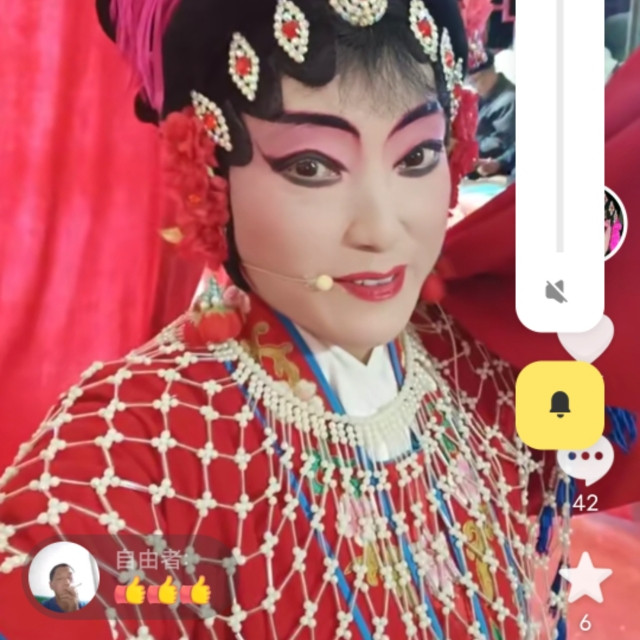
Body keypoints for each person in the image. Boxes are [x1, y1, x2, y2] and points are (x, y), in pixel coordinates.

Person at [0, 1, 638, 639]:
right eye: (312, 166)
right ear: (209, 172)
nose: (381, 228)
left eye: (417, 156)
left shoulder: (479, 362)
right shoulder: (136, 448)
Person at [467, 49, 515, 178]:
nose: (474, 86)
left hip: (490, 168)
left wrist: (464, 149)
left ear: (490, 72)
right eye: (470, 82)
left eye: (476, 80)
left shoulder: (509, 99)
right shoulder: (483, 95)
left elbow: (499, 142)